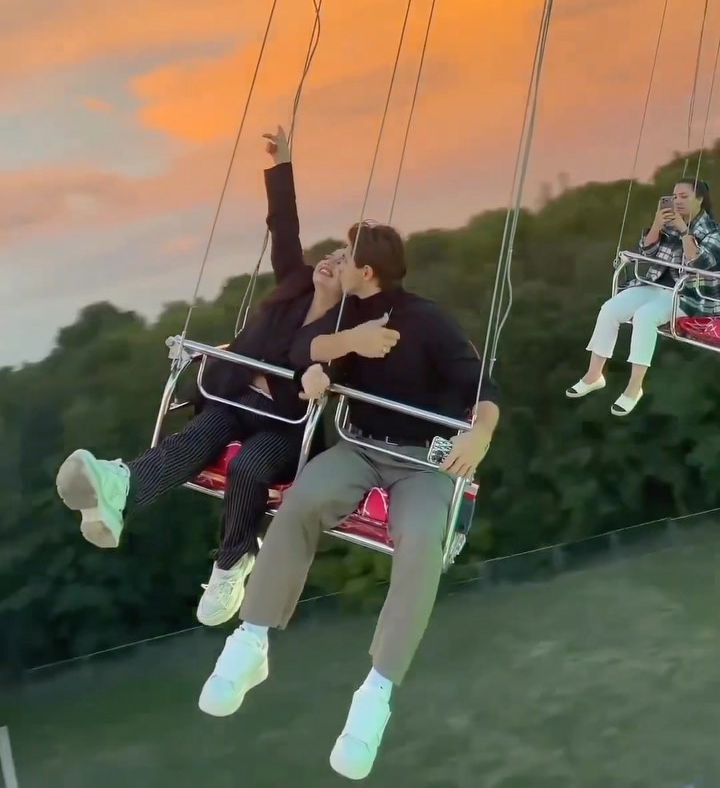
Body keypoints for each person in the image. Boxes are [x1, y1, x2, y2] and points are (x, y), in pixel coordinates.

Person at [196, 221, 500, 781]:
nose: (335, 260)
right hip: (359, 448)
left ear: (367, 270)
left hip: (422, 462)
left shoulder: (426, 320)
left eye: (346, 255)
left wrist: (479, 434)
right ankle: (252, 639)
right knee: (301, 502)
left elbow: (482, 387)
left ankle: (376, 693)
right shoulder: (343, 316)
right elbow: (302, 350)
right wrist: (330, 360)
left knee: (421, 546)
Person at [55, 126, 351, 626]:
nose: (330, 261)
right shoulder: (293, 284)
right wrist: (281, 165)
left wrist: (313, 379)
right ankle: (119, 488)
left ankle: (232, 563)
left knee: (247, 467)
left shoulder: (345, 332)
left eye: (343, 263)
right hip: (235, 399)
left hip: (284, 428)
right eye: (332, 254)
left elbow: (329, 377)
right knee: (195, 439)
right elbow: (284, 226)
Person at [567, 178, 720, 416]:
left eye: (684, 197)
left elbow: (699, 262)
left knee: (645, 317)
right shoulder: (669, 223)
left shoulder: (712, 232)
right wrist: (657, 225)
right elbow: (647, 251)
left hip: (686, 294)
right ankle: (594, 374)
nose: (677, 201)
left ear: (700, 199)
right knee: (610, 309)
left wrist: (684, 230)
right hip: (653, 284)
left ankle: (634, 387)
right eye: (674, 197)